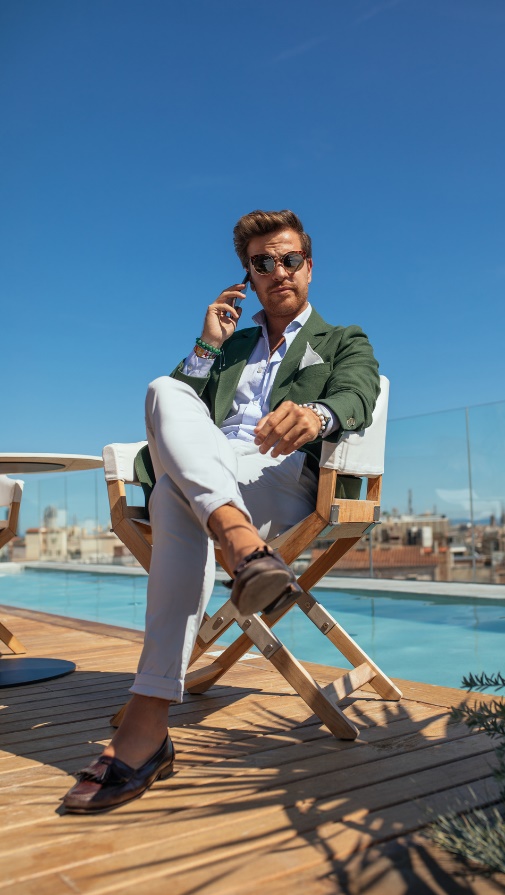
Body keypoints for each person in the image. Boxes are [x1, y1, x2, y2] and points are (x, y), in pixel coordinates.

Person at [62, 209, 380, 813]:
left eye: (289, 259)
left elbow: (358, 392)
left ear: (308, 266)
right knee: (164, 390)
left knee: (174, 495)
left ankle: (146, 729)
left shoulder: (343, 339)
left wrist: (317, 416)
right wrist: (208, 345)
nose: (279, 270)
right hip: (213, 473)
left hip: (280, 472)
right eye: (263, 262)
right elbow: (170, 417)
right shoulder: (228, 348)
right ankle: (241, 545)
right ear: (248, 276)